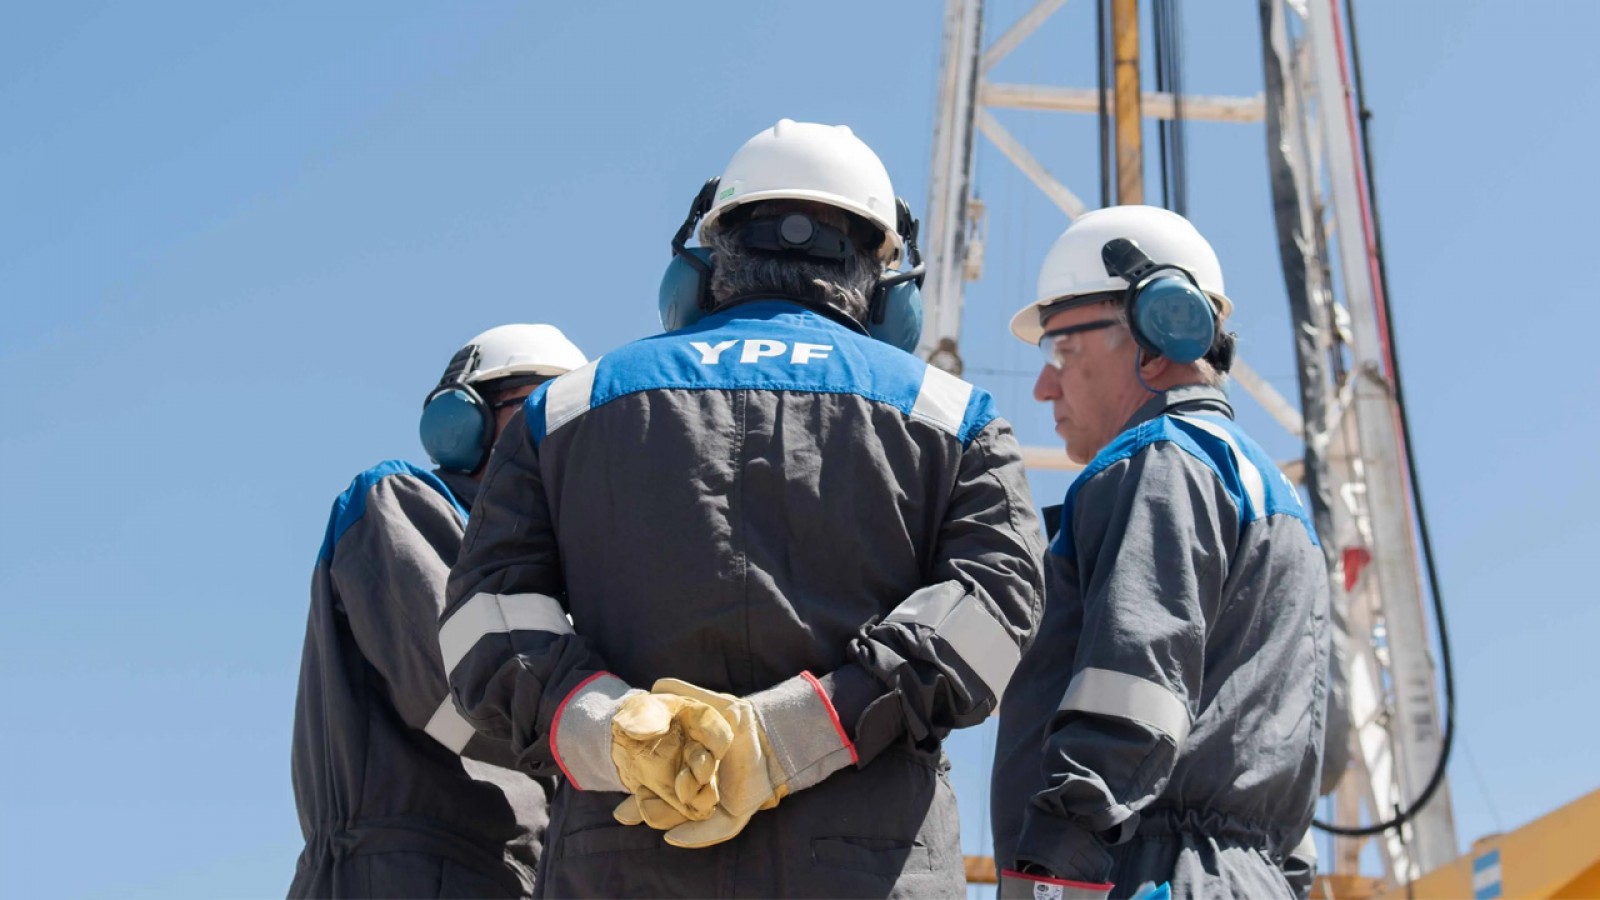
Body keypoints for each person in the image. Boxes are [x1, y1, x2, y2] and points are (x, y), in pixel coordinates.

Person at [439, 119, 1044, 898]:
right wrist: (794, 732)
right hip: (874, 866)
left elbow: (481, 624)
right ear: (887, 285)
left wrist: (613, 731)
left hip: (621, 863)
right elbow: (996, 611)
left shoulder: (564, 411)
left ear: (706, 261)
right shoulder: (955, 419)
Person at [990, 205, 1330, 899]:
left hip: (1142, 873)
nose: (1043, 386)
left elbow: (1134, 685)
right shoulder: (1274, 496)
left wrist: (1052, 876)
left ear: (1157, 331)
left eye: (1062, 350)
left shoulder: (1159, 462)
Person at [290, 324, 587, 899]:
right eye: (539, 411)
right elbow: (467, 697)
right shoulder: (397, 504)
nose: (561, 440)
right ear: (462, 425)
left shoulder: (553, 580)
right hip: (401, 875)